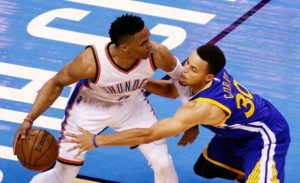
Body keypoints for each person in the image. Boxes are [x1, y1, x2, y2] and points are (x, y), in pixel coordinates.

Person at [66, 44, 291, 183]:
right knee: (205, 168)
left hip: (265, 137)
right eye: (188, 62)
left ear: (208, 78)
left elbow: (148, 135)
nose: (183, 70)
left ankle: (258, 171)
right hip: (234, 134)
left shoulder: (204, 107)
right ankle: (248, 172)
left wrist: (97, 140)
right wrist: (139, 81)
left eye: (193, 69)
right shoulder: (199, 70)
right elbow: (175, 90)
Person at [13, 14, 181, 183]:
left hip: (131, 105)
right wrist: (29, 119)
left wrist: (191, 121)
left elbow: (182, 86)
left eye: (149, 38)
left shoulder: (158, 54)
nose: (150, 45)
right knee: (64, 173)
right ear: (124, 47)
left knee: (163, 162)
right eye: (143, 43)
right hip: (90, 107)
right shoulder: (91, 61)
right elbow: (56, 83)